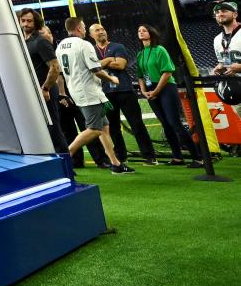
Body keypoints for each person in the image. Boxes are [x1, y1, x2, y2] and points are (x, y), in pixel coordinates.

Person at [56, 16, 131, 174]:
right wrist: (112, 78)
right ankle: (64, 156)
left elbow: (60, 72)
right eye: (83, 27)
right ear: (78, 28)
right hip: (89, 92)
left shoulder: (60, 45)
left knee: (104, 127)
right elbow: (96, 70)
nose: (84, 30)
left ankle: (116, 163)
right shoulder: (84, 44)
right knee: (95, 129)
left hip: (77, 89)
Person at [90, 22, 157, 165]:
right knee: (112, 127)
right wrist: (109, 60)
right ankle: (121, 157)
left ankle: (149, 156)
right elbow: (92, 68)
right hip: (105, 93)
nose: (101, 31)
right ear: (91, 35)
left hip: (125, 91)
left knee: (136, 124)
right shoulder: (90, 50)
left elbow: (120, 65)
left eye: (103, 29)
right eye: (97, 30)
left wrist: (102, 62)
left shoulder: (118, 46)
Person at [136, 23, 200, 166]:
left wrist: (156, 91)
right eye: (139, 31)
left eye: (144, 30)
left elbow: (167, 72)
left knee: (174, 123)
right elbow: (140, 76)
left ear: (151, 33)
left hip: (166, 88)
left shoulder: (160, 50)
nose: (141, 32)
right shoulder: (140, 54)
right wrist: (143, 91)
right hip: (151, 90)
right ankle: (177, 157)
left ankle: (198, 157)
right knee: (165, 124)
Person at [18, 8, 69, 152]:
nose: (26, 24)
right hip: (32, 90)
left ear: (36, 22)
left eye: (29, 21)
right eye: (23, 21)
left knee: (53, 127)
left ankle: (66, 167)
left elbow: (55, 67)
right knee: (38, 128)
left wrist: (46, 88)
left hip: (44, 90)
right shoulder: (22, 42)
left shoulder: (40, 42)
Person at [211, 0, 241, 120]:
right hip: (236, 90)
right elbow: (224, 61)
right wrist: (220, 66)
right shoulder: (217, 40)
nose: (220, 14)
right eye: (217, 12)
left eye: (224, 11)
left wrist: (239, 67)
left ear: (235, 14)